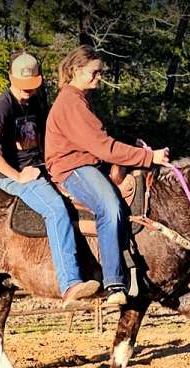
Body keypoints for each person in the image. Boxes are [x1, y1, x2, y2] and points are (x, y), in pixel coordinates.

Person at [45, 45, 170, 306]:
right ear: (77, 70)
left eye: (100, 72)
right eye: (94, 72)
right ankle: (114, 282)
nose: (98, 77)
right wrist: (150, 157)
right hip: (72, 168)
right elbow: (103, 147)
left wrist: (130, 144)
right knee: (110, 207)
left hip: (83, 162)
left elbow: (99, 139)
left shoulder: (79, 99)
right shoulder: (71, 102)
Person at [0, 50, 99, 308]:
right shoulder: (4, 104)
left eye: (32, 87)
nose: (27, 92)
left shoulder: (37, 101)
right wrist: (18, 175)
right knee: (56, 211)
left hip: (43, 168)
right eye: (23, 87)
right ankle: (69, 284)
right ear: (10, 78)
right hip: (17, 175)